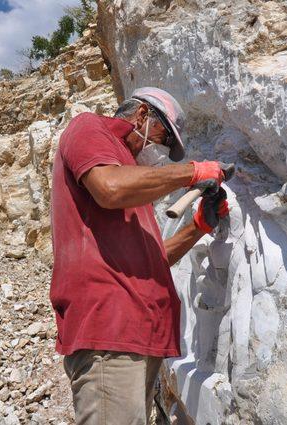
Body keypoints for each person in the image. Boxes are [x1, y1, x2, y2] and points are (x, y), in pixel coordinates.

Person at [50, 87, 230, 424]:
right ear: (142, 116)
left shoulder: (132, 181)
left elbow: (154, 262)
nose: (160, 151)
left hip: (138, 337)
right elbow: (110, 188)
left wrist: (200, 225)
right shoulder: (90, 129)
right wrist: (192, 172)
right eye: (162, 139)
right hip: (108, 333)